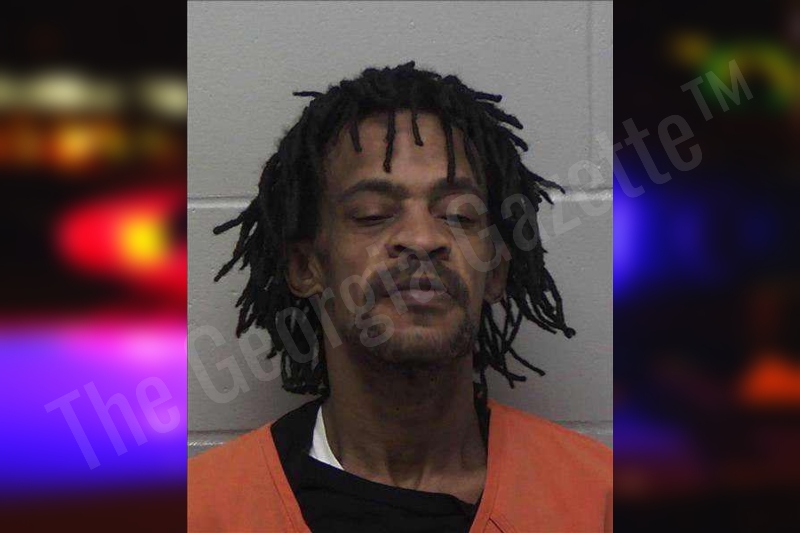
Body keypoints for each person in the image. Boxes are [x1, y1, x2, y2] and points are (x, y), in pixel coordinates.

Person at [188, 62, 612, 532]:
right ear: (307, 267)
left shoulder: (598, 498)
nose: (422, 238)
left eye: (459, 215)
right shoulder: (201, 509)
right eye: (372, 214)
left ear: (495, 270)